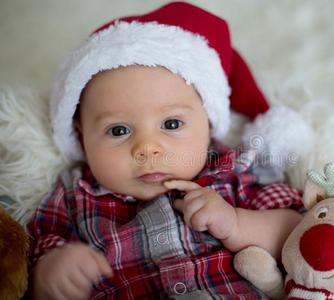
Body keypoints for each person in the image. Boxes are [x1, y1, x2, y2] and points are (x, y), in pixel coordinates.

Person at [27, 2, 314, 299]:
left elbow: (300, 230)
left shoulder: (230, 170)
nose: (147, 149)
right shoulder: (75, 195)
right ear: (81, 135)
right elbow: (33, 253)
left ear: (207, 122)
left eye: (172, 123)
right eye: (118, 130)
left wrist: (237, 223)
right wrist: (49, 273)